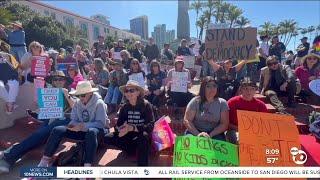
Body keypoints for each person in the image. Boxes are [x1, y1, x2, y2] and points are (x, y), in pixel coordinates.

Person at [0, 71, 74, 173]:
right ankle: (9, 158)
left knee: (39, 135)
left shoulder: (71, 91)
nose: (58, 81)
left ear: (65, 81)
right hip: (51, 119)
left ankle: (8, 155)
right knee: (37, 137)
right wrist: (37, 109)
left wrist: (67, 95)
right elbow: (46, 111)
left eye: (60, 79)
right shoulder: (50, 91)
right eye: (55, 79)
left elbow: (76, 109)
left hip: (65, 120)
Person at [37, 81, 108, 168]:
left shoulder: (99, 103)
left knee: (91, 132)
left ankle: (87, 166)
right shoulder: (77, 103)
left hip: (98, 132)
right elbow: (73, 120)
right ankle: (45, 160)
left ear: (90, 93)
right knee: (57, 129)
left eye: (83, 95)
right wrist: (73, 126)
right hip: (82, 130)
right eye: (78, 95)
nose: (80, 98)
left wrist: (83, 126)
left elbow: (101, 123)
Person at [104, 80, 155, 166]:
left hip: (140, 134)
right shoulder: (125, 107)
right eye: (126, 91)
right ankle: (131, 150)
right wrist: (120, 130)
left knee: (144, 136)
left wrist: (133, 128)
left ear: (138, 92)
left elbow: (150, 125)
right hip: (128, 135)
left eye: (132, 90)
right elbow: (119, 124)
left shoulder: (146, 105)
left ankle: (142, 169)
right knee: (107, 137)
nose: (128, 93)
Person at [183, 76, 229, 141]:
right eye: (208, 86)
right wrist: (198, 134)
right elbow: (187, 120)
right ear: (203, 88)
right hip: (195, 131)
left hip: (215, 133)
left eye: (214, 86)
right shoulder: (195, 101)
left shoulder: (222, 103)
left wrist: (210, 135)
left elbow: (224, 124)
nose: (212, 89)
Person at [226, 77, 267, 144]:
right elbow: (225, 122)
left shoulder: (261, 105)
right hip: (235, 131)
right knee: (240, 140)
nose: (249, 91)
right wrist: (240, 129)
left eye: (252, 89)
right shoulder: (231, 102)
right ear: (241, 89)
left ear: (255, 90)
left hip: (255, 132)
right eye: (246, 89)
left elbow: (264, 124)